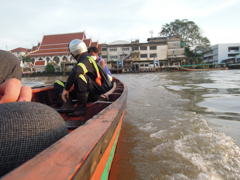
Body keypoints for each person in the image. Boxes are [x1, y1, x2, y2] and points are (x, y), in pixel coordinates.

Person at [60, 39, 107, 116]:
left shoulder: (86, 60)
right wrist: (66, 87)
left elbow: (76, 71)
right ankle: (67, 102)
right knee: (57, 83)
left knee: (80, 77)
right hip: (84, 90)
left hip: (93, 92)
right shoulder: (84, 59)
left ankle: (81, 107)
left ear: (73, 53)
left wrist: (66, 88)